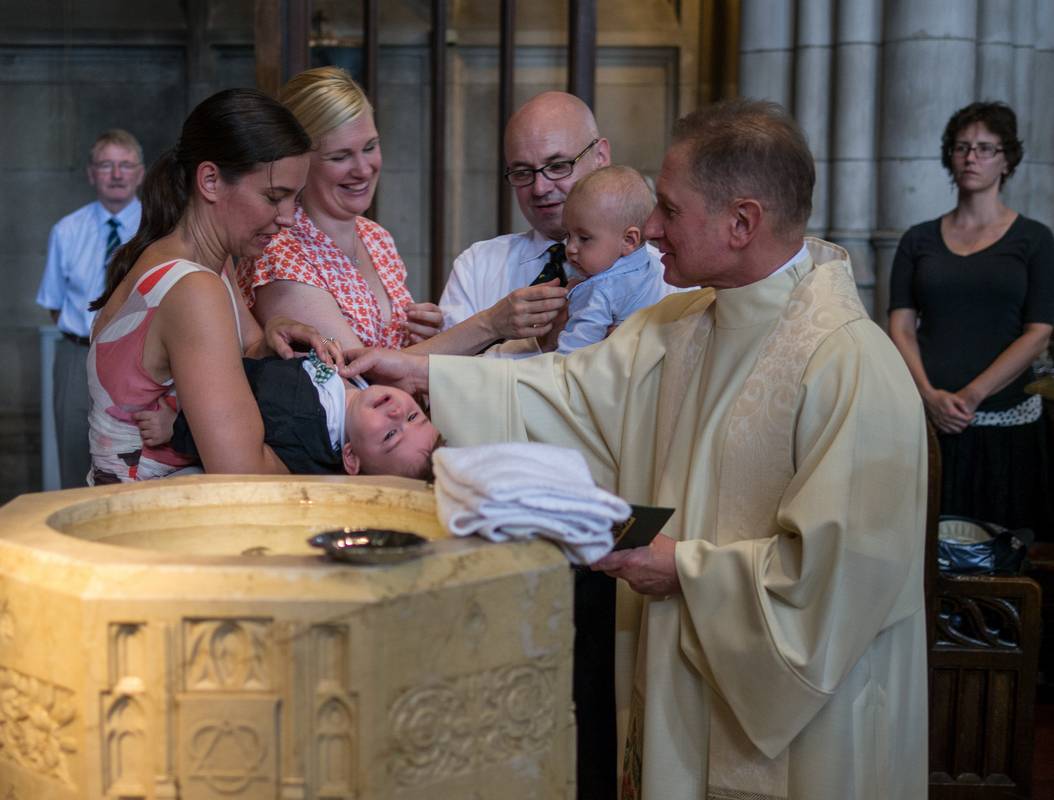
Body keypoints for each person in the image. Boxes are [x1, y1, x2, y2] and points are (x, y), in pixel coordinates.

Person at [343, 99, 928, 799]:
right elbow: (569, 394)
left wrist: (680, 568)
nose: (649, 229)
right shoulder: (680, 323)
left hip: (804, 732)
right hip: (684, 681)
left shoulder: (849, 364)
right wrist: (421, 371)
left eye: (670, 212)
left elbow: (836, 581)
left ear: (742, 222)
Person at [87, 88, 338, 484]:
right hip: (157, 523)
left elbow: (246, 349)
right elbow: (242, 473)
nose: (289, 217)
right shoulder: (191, 287)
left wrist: (270, 336)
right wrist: (342, 447)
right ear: (210, 180)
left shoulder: (204, 262)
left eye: (295, 198)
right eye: (274, 197)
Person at [889, 101, 1054, 538]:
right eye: (962, 147)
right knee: (920, 547)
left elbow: (1039, 332)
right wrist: (929, 395)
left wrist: (970, 396)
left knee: (1003, 552)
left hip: (1005, 422)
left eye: (985, 148)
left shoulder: (1035, 239)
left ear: (1007, 160)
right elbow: (901, 326)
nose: (971, 157)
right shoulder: (918, 238)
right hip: (927, 418)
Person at [439, 91, 679, 357]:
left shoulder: (667, 277)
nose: (540, 188)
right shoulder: (476, 267)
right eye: (522, 172)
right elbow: (438, 382)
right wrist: (501, 331)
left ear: (600, 156)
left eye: (557, 166)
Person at [36, 129, 144, 487]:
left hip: (137, 358)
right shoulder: (65, 230)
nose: (116, 174)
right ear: (91, 174)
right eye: (106, 165)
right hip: (76, 356)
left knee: (132, 461)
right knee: (72, 452)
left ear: (140, 173)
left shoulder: (156, 229)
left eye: (126, 165)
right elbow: (55, 305)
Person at [136, 355, 440, 479]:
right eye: (414, 416)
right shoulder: (364, 387)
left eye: (390, 435)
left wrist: (177, 427)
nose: (397, 413)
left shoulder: (300, 426)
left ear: (351, 457)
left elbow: (227, 430)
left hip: (204, 382)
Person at [557, 165, 667, 354]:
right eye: (568, 235)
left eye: (584, 238)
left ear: (628, 240)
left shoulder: (599, 290)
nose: (570, 248)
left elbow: (571, 356)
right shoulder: (656, 265)